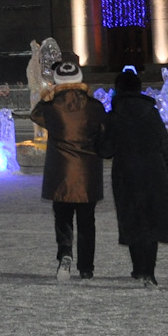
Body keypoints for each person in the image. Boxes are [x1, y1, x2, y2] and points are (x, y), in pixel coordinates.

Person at [29, 58, 107, 280]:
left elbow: (35, 115)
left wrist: (49, 94)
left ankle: (65, 253)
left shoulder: (51, 107)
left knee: (62, 219)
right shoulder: (94, 107)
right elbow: (104, 130)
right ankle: (86, 266)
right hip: (88, 173)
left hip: (60, 172)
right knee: (87, 221)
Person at [103, 67, 168, 287]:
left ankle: (138, 268)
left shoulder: (114, 116)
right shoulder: (152, 113)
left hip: (126, 172)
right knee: (151, 219)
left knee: (132, 219)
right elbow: (164, 144)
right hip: (154, 171)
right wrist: (163, 169)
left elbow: (106, 150)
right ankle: (149, 270)